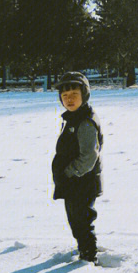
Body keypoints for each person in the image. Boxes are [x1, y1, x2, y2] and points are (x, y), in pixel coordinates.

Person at [52, 72, 103, 263]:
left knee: (82, 220)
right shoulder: (73, 118)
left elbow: (89, 156)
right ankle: (83, 247)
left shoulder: (85, 121)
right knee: (75, 219)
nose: (69, 99)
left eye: (74, 94)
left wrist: (70, 172)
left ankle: (89, 256)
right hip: (73, 182)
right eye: (65, 96)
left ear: (84, 95)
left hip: (82, 182)